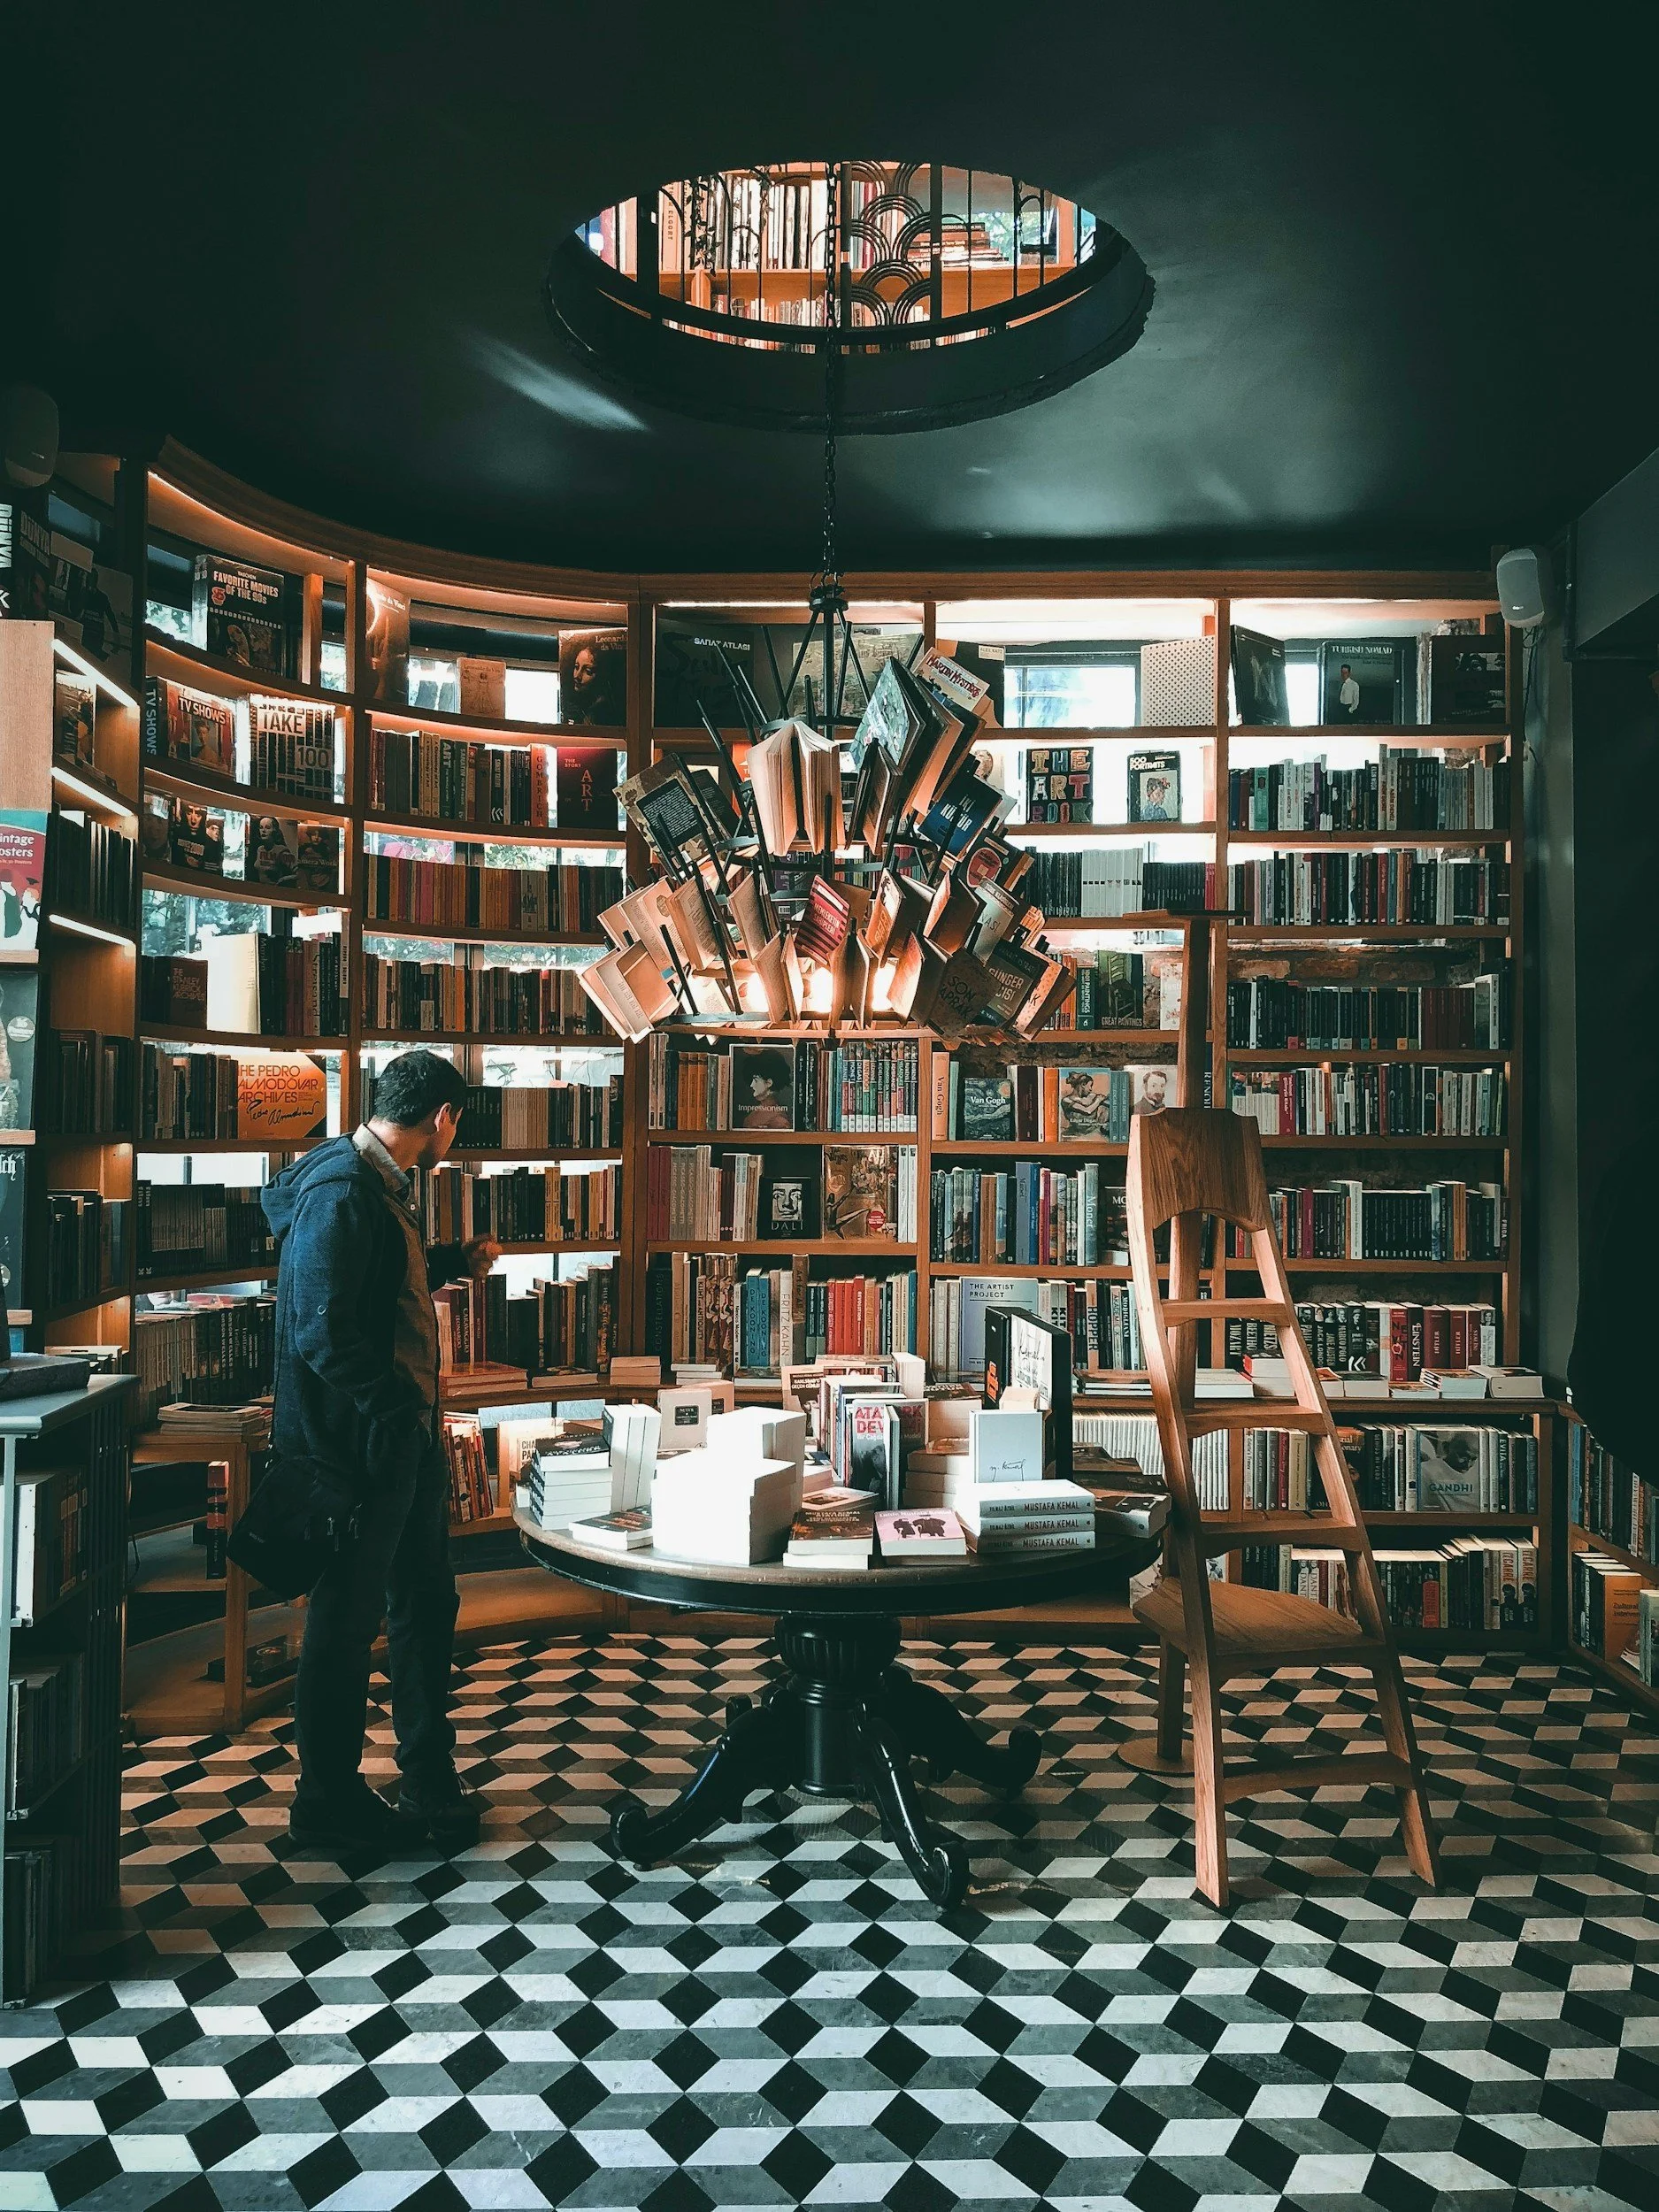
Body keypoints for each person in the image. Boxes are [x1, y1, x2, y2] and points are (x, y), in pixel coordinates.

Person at [262, 1049, 499, 1853]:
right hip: (363, 1449)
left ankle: (426, 1771)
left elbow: (357, 1291)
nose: (452, 1138)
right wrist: (396, 1410)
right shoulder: (341, 1191)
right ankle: (326, 1802)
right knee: (345, 1621)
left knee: (425, 1605)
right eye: (455, 1124)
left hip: (399, 1441)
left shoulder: (374, 1184)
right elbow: (320, 1330)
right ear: (441, 1116)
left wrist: (441, 1266)